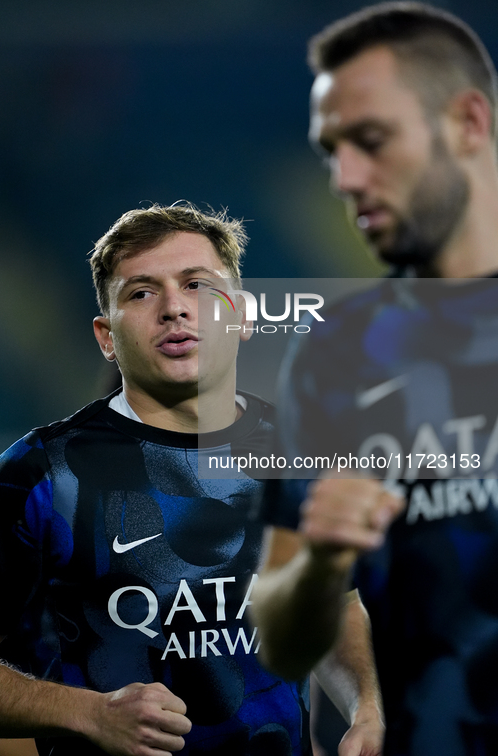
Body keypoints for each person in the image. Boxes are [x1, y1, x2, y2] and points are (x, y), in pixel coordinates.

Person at [0, 203, 383, 756]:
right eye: (141, 292)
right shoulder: (41, 473)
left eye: (197, 285)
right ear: (106, 337)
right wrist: (89, 713)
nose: (175, 308)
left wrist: (366, 706)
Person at [252, 3, 498, 755]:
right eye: (331, 150)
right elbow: (279, 638)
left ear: (465, 122)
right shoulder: (332, 354)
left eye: (369, 140)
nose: (344, 177)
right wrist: (323, 563)